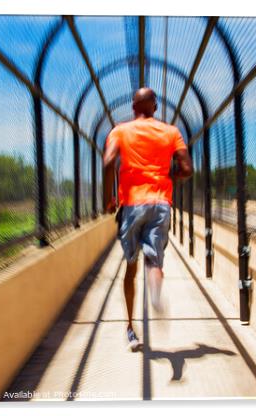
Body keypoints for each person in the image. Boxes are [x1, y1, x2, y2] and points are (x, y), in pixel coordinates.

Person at [103, 87, 193, 351]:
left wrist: (108, 199)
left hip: (131, 205)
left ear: (133, 108)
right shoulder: (171, 132)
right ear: (155, 107)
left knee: (130, 268)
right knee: (153, 260)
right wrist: (168, 177)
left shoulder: (120, 131)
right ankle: (155, 289)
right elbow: (187, 169)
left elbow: (109, 163)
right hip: (160, 203)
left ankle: (131, 328)